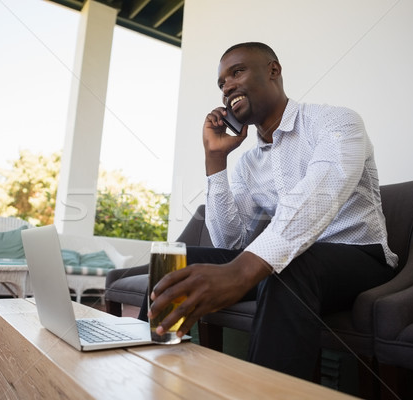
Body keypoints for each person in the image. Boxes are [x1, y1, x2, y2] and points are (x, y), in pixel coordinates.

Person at [146, 42, 398, 379]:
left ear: (272, 71)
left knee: (290, 264)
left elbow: (319, 195)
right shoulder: (250, 164)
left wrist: (241, 271)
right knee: (176, 261)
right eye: (221, 83)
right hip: (297, 262)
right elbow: (228, 244)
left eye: (237, 72)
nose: (227, 87)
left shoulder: (335, 121)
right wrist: (216, 160)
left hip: (361, 258)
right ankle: (149, 371)